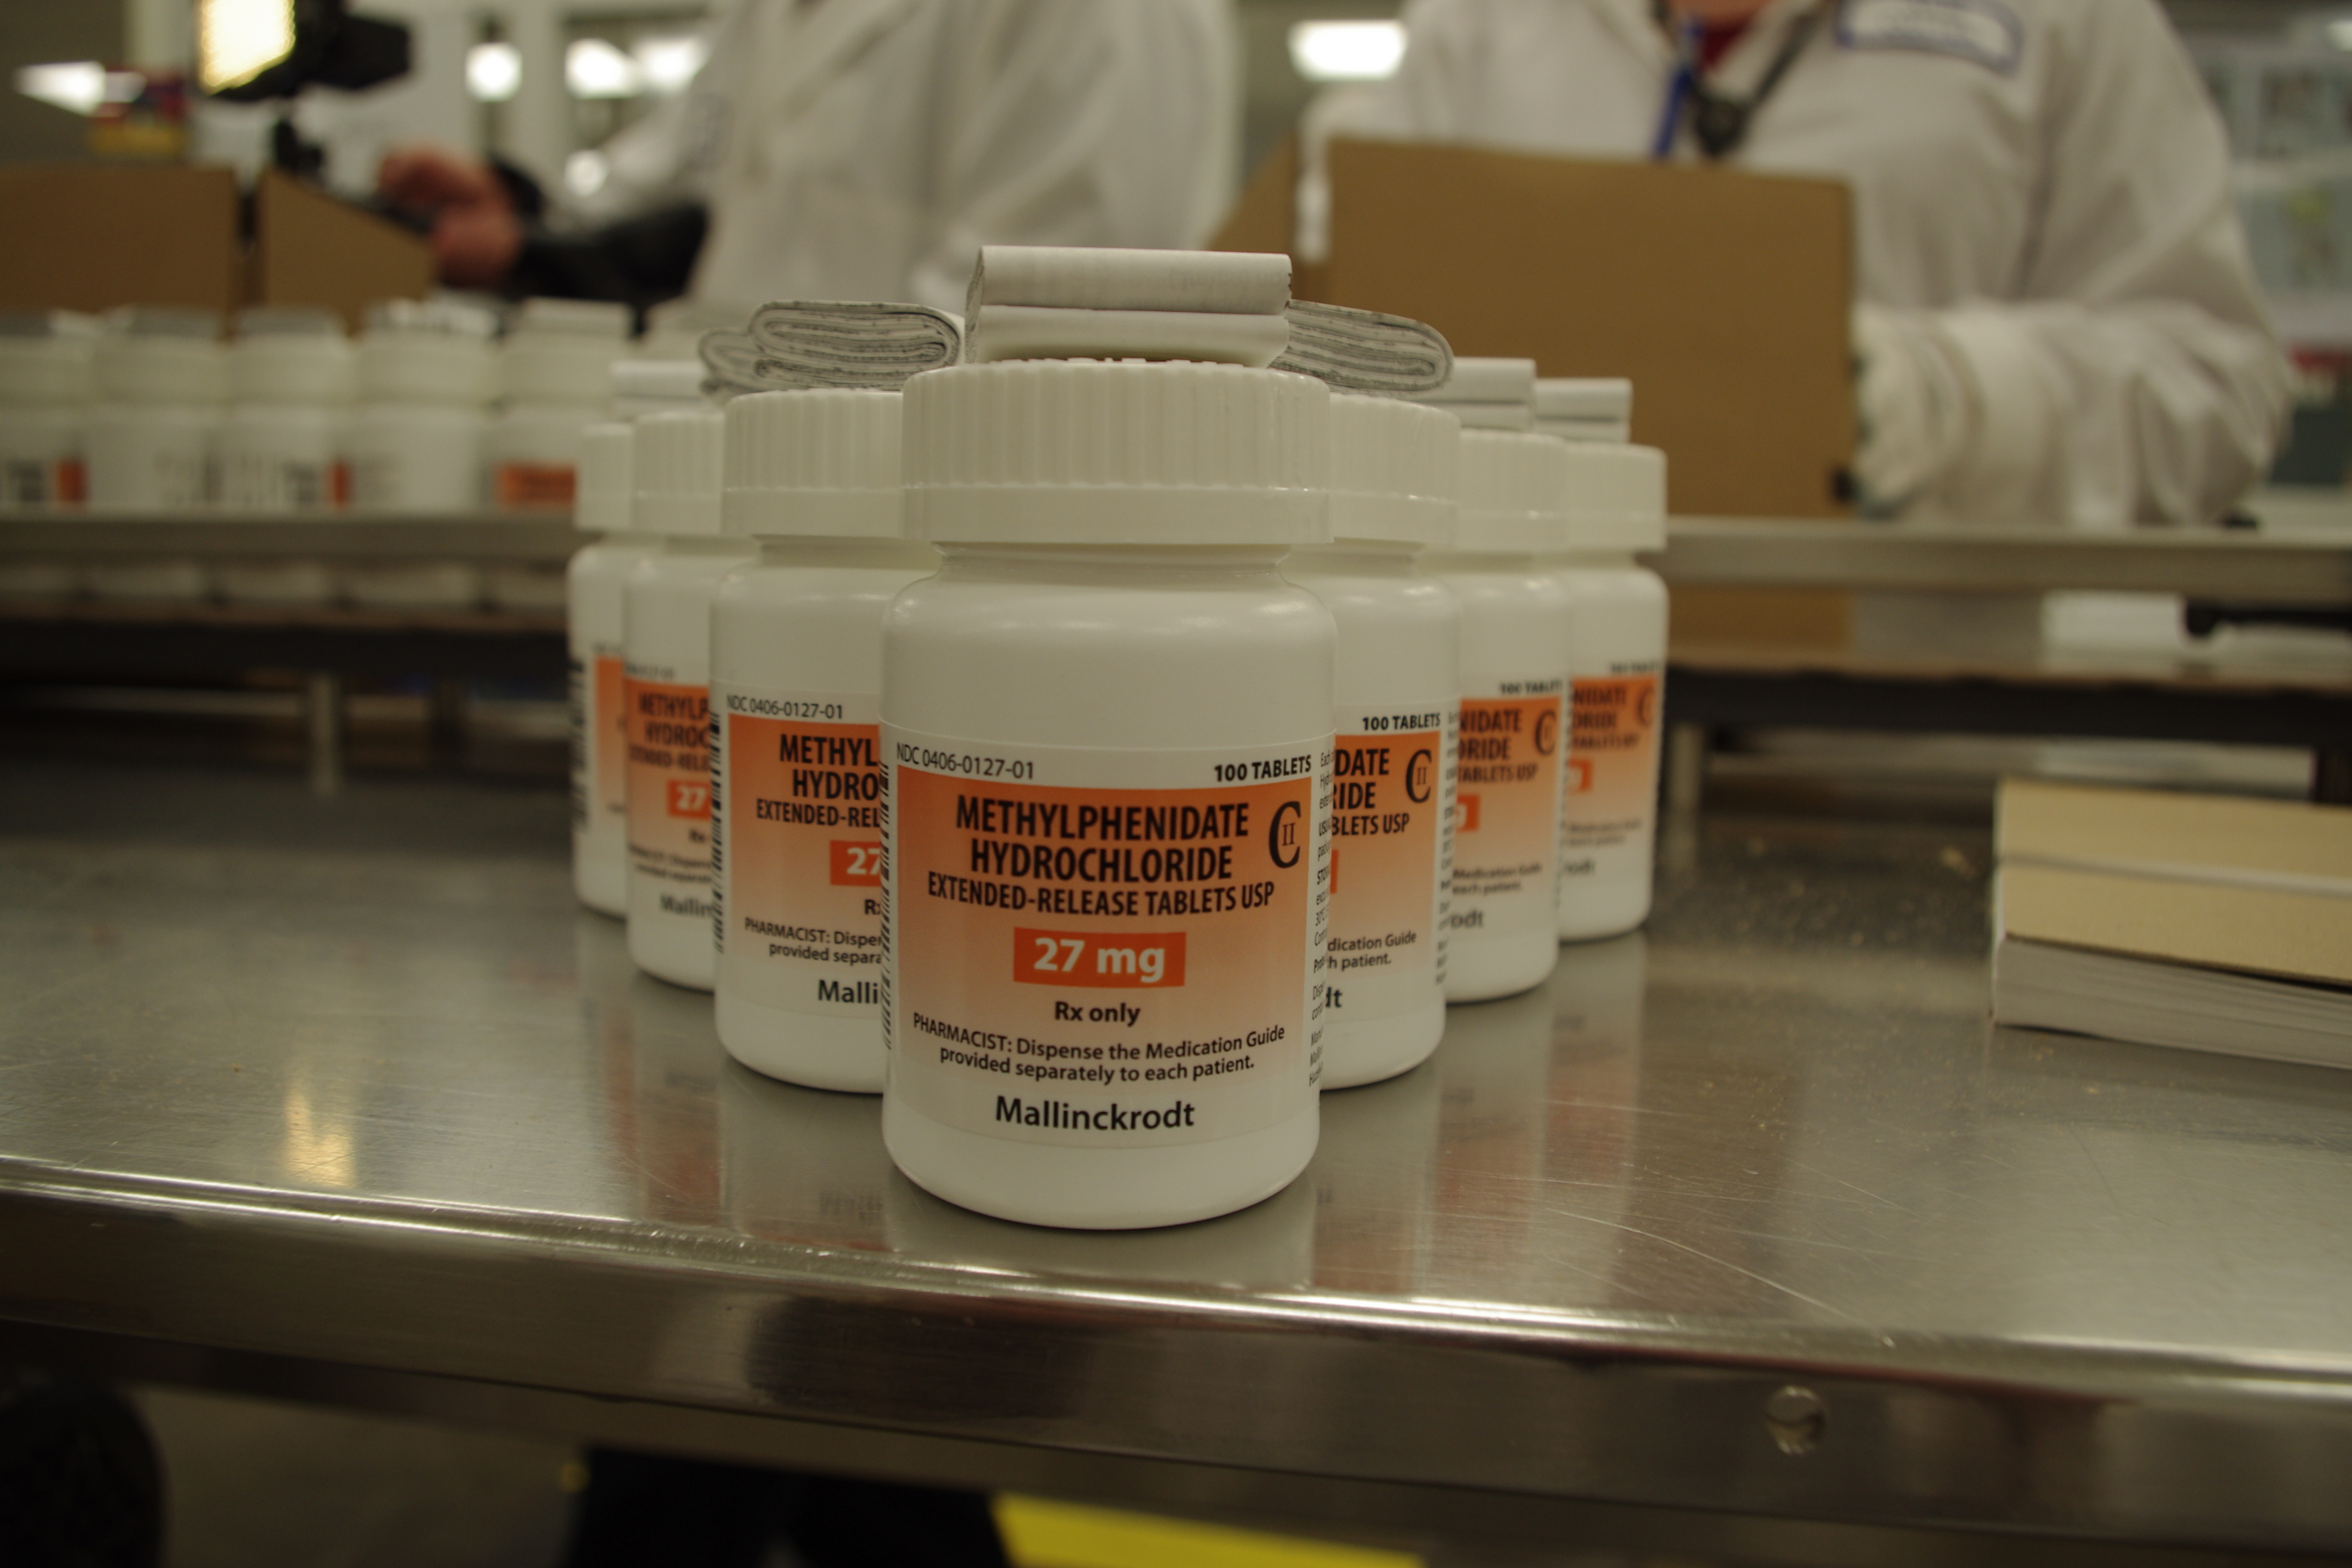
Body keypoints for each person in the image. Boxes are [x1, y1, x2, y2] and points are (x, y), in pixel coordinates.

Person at [1300, 0, 2295, 528]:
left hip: (1904, 736)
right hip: (1514, 718)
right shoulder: (1473, 23)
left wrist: (1956, 403)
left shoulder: (2072, 21)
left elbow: (2221, 383)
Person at [380, 0, 1239, 316]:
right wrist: (524, 219)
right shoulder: (768, 15)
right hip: (774, 501)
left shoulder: (1116, 16)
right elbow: (680, 188)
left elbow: (1057, 314)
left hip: (932, 532)